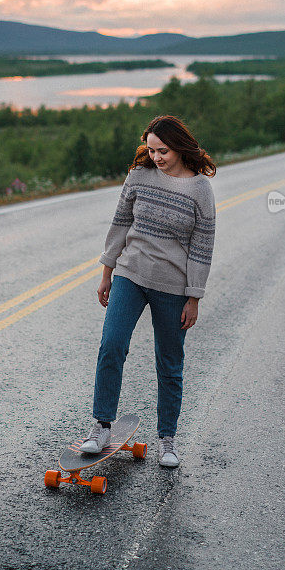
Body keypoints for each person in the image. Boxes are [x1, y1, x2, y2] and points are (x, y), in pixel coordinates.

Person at [81, 114, 217, 467]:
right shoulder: (139, 177)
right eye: (152, 149)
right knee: (111, 344)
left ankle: (167, 439)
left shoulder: (200, 189)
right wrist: (107, 272)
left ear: (181, 147)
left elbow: (203, 246)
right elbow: (120, 222)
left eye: (164, 151)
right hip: (130, 275)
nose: (156, 157)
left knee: (169, 364)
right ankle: (101, 426)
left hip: (173, 287)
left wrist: (194, 297)